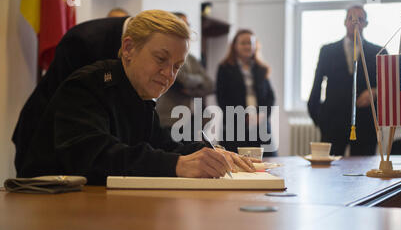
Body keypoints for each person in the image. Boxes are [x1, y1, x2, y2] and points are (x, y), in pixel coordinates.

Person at [18, 10, 255, 184]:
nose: (168, 75)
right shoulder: (86, 86)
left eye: (176, 67)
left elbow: (161, 143)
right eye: (161, 59)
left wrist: (208, 152)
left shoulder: (138, 93)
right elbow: (97, 157)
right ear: (129, 48)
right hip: (50, 207)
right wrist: (178, 165)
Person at [12, 15, 132, 173]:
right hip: (43, 135)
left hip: (76, 139)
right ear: (128, 45)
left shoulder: (128, 40)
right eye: (160, 57)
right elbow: (71, 104)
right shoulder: (83, 41)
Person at [307, 5, 386, 156]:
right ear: (345, 22)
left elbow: (389, 86)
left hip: (366, 124)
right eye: (351, 18)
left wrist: (375, 92)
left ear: (366, 24)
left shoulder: (379, 52)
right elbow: (316, 87)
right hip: (333, 124)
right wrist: (320, 120)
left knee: (364, 174)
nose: (355, 23)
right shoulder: (327, 51)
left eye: (360, 19)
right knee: (330, 174)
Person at [216, 29, 276, 156]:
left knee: (267, 163)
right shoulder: (225, 68)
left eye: (250, 43)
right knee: (236, 163)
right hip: (235, 125)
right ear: (235, 46)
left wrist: (261, 115)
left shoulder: (262, 68)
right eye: (243, 43)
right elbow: (221, 98)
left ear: (255, 46)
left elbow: (270, 97)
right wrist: (243, 117)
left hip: (260, 124)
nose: (247, 46)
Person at [156, 12, 214, 139]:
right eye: (182, 25)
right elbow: (182, 81)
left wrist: (191, 87)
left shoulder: (192, 59)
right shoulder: (165, 55)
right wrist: (198, 82)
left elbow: (210, 85)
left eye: (188, 25)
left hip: (194, 120)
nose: (187, 29)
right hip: (170, 118)